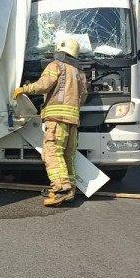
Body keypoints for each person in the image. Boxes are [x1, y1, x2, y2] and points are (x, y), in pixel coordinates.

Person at [14, 38, 89, 207]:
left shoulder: (55, 66)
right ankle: (70, 191)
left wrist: (23, 89)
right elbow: (83, 97)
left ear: (60, 51)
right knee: (67, 156)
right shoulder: (80, 73)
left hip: (56, 121)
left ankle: (61, 189)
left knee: (52, 153)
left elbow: (43, 85)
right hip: (73, 122)